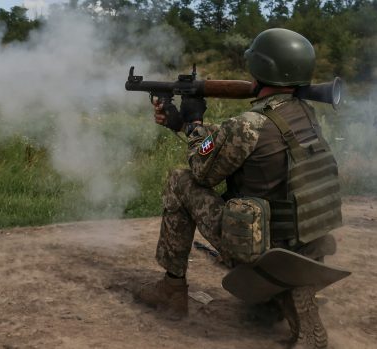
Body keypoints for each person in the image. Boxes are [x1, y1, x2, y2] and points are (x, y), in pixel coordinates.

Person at [135, 28, 341, 349]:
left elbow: (202, 172)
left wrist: (192, 124)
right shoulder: (306, 114)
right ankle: (285, 293)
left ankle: (172, 290)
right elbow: (237, 142)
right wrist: (185, 125)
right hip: (307, 244)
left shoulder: (249, 124)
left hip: (263, 249)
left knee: (180, 179)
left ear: (260, 69)